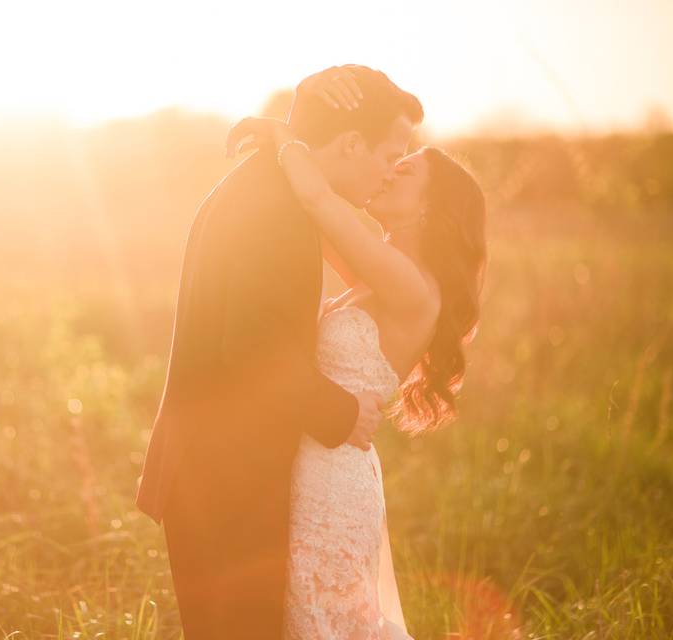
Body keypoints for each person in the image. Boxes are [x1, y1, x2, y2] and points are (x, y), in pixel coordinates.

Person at [135, 65, 424, 639]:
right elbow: (253, 353)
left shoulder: (273, 185)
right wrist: (344, 413)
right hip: (224, 483)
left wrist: (288, 128)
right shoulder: (276, 211)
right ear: (349, 144)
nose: (390, 173)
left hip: (215, 472)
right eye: (390, 154)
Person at [226, 65, 488, 639]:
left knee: (322, 623)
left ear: (430, 207)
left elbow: (317, 197)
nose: (388, 171)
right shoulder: (380, 263)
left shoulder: (412, 286)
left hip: (331, 478)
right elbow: (311, 210)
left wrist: (280, 137)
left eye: (406, 169)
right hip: (316, 455)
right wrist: (304, 106)